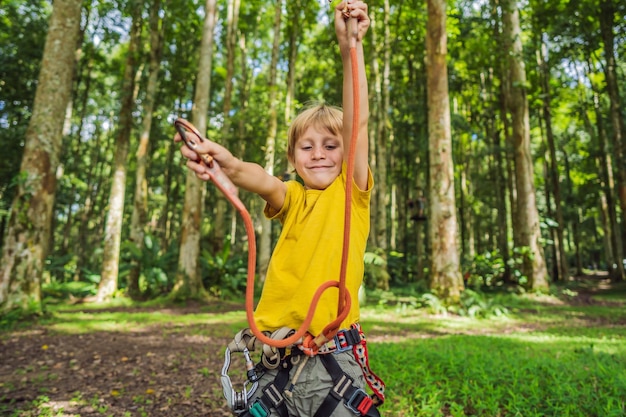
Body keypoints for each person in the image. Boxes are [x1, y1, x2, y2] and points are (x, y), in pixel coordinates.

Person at [176, 1, 384, 416]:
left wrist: (351, 50)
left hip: (334, 359)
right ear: (293, 157)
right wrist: (226, 164)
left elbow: (357, 124)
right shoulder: (291, 197)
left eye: (331, 146)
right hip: (277, 361)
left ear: (346, 155)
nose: (319, 155)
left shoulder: (352, 193)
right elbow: (261, 179)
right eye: (307, 147)